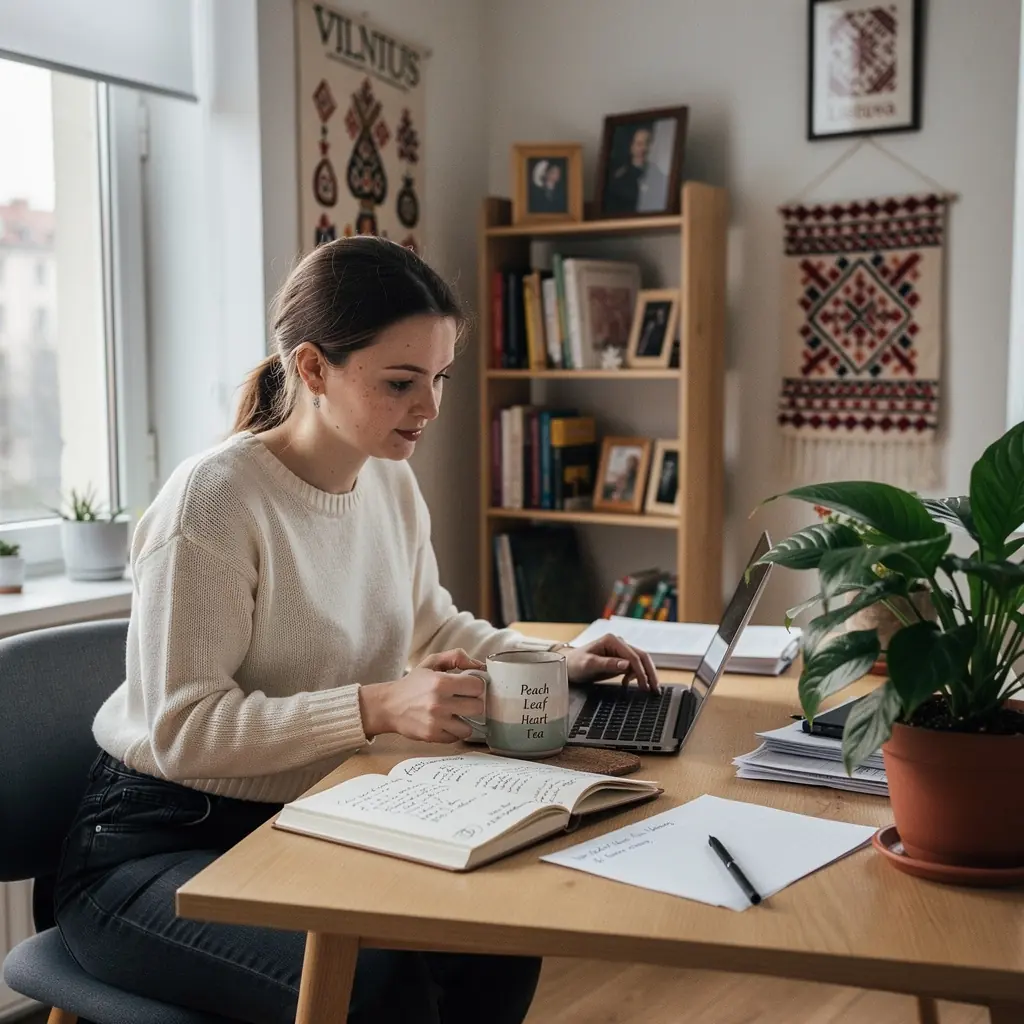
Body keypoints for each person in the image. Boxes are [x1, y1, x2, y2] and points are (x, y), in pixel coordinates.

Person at [52, 236, 659, 1024]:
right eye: (401, 382)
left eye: (439, 378)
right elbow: (182, 730)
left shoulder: (389, 481)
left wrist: (556, 659)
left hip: (303, 814)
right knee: (376, 992)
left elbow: (432, 622)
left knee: (496, 943)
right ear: (312, 369)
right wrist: (375, 707)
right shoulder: (214, 504)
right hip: (150, 845)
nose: (431, 407)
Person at [603, 123, 669, 214]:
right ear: (632, 147)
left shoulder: (660, 178)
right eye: (639, 144)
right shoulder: (618, 179)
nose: (643, 149)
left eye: (647, 143)